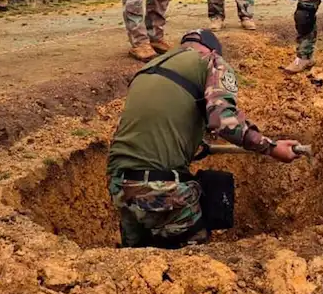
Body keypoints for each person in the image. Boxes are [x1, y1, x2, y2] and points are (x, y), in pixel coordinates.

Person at [106, 29, 302, 248]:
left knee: (136, 265)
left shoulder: (150, 67)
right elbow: (225, 122)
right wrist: (272, 147)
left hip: (120, 186)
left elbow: (159, 123)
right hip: (159, 187)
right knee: (197, 266)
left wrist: (199, 143)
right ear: (213, 50)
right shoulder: (211, 61)